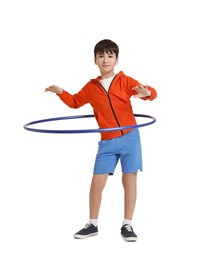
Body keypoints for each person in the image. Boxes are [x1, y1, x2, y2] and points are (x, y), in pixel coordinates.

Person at [45, 39, 157, 242]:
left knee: (129, 178)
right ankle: (93, 224)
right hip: (107, 141)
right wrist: (61, 92)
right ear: (95, 59)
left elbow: (150, 93)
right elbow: (75, 102)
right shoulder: (91, 87)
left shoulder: (125, 81)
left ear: (116, 59)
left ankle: (127, 224)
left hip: (130, 137)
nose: (105, 59)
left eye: (110, 56)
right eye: (101, 56)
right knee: (97, 181)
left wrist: (146, 93)